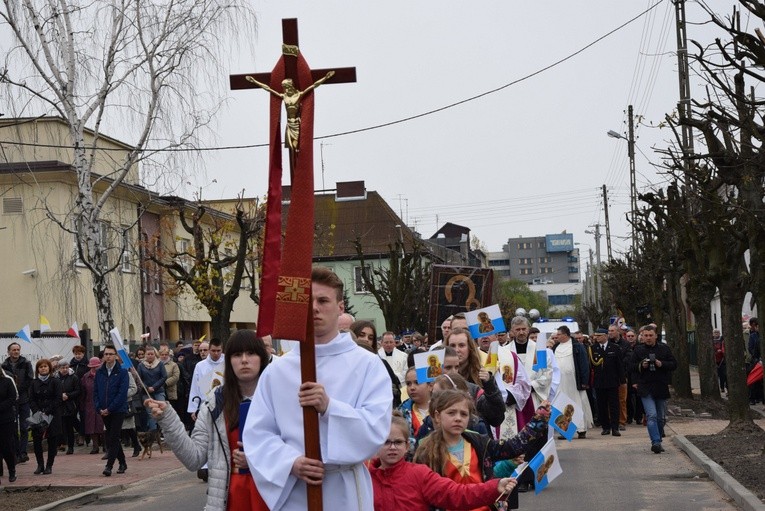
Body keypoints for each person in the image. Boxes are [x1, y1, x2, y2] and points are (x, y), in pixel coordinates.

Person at [243, 266, 392, 510]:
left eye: (323, 300)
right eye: (308, 301)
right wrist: (291, 462)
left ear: (340, 307)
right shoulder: (278, 371)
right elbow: (257, 434)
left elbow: (376, 428)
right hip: (297, 489)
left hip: (345, 489)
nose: (314, 308)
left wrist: (330, 408)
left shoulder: (367, 364)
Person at [147, 330, 270, 511]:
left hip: (272, 497)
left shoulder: (278, 399)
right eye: (237, 354)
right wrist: (168, 419)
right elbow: (194, 458)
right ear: (229, 361)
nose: (244, 360)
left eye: (251, 353)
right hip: (230, 499)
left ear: (262, 358)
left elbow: (298, 452)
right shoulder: (215, 403)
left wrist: (256, 459)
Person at [413, 389, 550, 511]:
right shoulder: (425, 451)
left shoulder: (479, 442)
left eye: (463, 414)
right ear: (437, 416)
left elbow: (512, 447)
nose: (458, 418)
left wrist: (539, 419)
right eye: (451, 413)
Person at [369, 414, 517, 511]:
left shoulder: (419, 474)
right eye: (386, 442)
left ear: (407, 446)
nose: (392, 447)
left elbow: (456, 494)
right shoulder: (364, 477)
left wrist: (494, 487)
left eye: (398, 442)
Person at [630, 325, 677, 453]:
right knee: (651, 415)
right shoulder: (638, 350)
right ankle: (655, 442)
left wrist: (661, 364)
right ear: (642, 336)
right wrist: (641, 365)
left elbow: (674, 364)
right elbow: (631, 367)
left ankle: (659, 439)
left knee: (660, 417)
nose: (648, 338)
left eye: (651, 335)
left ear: (656, 336)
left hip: (660, 386)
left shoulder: (664, 349)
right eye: (646, 335)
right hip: (645, 387)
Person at [94, 345, 129, 477]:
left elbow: (122, 393)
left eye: (110, 354)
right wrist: (99, 407)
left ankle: (109, 465)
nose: (108, 356)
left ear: (116, 355)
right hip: (103, 410)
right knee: (112, 436)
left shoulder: (122, 372)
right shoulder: (99, 372)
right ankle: (123, 462)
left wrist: (110, 408)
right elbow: (96, 391)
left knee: (113, 436)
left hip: (117, 410)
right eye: (106, 354)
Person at [551, 325, 592, 438]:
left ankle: (581, 429)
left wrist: (584, 381)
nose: (556, 336)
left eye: (559, 334)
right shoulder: (555, 347)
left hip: (574, 382)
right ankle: (565, 430)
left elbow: (584, 365)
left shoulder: (577, 347)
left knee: (578, 404)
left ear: (565, 335)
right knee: (561, 405)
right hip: (560, 383)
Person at [352, 320, 401, 408]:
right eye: (362, 335)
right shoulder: (344, 364)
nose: (366, 340)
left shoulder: (382, 364)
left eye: (370, 338)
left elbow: (394, 394)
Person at [29, 359, 63, 475]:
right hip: (38, 414)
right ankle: (40, 465)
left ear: (49, 368)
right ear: (37, 369)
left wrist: (47, 411)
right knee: (37, 440)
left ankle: (49, 465)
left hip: (52, 414)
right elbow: (31, 399)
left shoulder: (55, 381)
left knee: (52, 440)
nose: (43, 368)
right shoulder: (34, 383)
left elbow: (58, 399)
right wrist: (37, 412)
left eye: (45, 366)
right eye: (41, 367)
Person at [2, 342, 34, 463]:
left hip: (24, 399)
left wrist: (17, 390)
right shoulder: (4, 365)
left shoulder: (26, 363)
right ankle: (15, 453)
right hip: (11, 402)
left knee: (25, 427)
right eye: (13, 350)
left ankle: (23, 452)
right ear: (9, 351)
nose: (16, 352)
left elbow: (30, 379)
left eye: (17, 349)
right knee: (13, 429)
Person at [589, 328, 624, 436]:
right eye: (596, 335)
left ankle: (615, 427)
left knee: (614, 405)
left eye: (599, 335)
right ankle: (605, 427)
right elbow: (590, 366)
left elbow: (620, 365)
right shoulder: (592, 348)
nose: (597, 337)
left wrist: (622, 379)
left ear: (605, 336)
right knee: (601, 406)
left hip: (612, 381)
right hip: (599, 382)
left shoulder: (615, 348)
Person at [188, 340, 225, 421]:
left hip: (225, 404)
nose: (216, 353)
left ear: (222, 350)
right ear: (209, 350)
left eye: (218, 351)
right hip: (206, 405)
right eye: (213, 351)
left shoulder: (228, 363)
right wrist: (193, 408)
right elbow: (195, 387)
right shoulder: (200, 366)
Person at [137, 346, 167, 432]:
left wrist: (154, 387)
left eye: (152, 354)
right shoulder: (141, 365)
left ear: (155, 354)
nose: (150, 356)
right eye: (148, 354)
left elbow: (164, 376)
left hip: (159, 391)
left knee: (161, 411)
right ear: (145, 355)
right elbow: (139, 379)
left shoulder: (160, 364)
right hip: (146, 392)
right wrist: (146, 387)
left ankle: (163, 432)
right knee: (150, 413)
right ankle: (153, 433)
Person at [55, 359, 81, 455]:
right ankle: (60, 444)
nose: (65, 370)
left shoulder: (74, 377)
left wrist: (68, 395)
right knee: (61, 427)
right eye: (62, 368)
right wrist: (60, 396)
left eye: (66, 367)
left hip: (70, 405)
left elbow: (78, 390)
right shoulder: (55, 377)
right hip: (59, 405)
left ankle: (70, 447)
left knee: (70, 427)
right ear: (59, 368)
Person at [399, 367, 433, 438]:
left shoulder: (442, 408)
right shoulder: (401, 413)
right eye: (408, 384)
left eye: (417, 383)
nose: (412, 387)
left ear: (430, 386)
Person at [80, 357, 105, 454]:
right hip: (89, 403)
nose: (94, 368)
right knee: (91, 426)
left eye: (96, 366)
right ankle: (95, 446)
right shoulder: (85, 377)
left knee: (102, 425)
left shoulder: (104, 375)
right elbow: (83, 392)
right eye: (92, 367)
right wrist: (82, 405)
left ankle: (105, 445)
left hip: (102, 403)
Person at [0, 366, 18, 483]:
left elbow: (13, 398)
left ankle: (12, 470)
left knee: (7, 446)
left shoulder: (7, 381)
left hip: (5, 419)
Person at [159, 346, 181, 422]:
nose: (164, 356)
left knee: (171, 412)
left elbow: (176, 377)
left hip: (170, 391)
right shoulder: (157, 364)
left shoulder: (174, 365)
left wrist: (165, 383)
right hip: (159, 391)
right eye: (162, 354)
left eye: (166, 354)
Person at [712, 329, 727, 394]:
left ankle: (722, 387)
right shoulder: (711, 340)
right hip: (714, 360)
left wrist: (721, 351)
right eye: (715, 332)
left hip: (721, 360)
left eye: (717, 332)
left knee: (722, 375)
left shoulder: (722, 340)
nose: (716, 333)